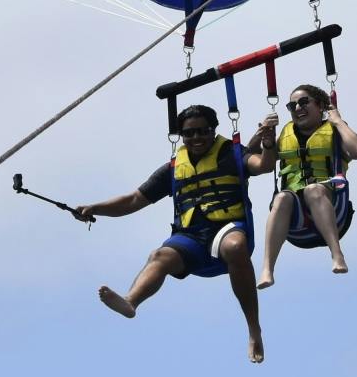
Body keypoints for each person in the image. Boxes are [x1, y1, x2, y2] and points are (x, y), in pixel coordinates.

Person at [75, 103, 277, 363]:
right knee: (160, 255)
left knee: (235, 246)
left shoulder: (233, 153)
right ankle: (130, 301)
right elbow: (134, 200)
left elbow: (263, 165)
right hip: (190, 238)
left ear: (213, 131)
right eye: (189, 133)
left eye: (202, 131)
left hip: (227, 229)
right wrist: (95, 208)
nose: (196, 138)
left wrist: (269, 145)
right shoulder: (173, 168)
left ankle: (253, 329)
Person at [257, 84, 357, 289]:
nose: (298, 108)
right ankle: (267, 268)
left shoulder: (334, 131)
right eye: (292, 105)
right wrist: (266, 141)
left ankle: (337, 254)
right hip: (296, 220)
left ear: (321, 106)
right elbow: (263, 164)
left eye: (304, 102)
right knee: (281, 198)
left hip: (333, 205)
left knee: (313, 189)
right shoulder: (285, 134)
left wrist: (338, 121)